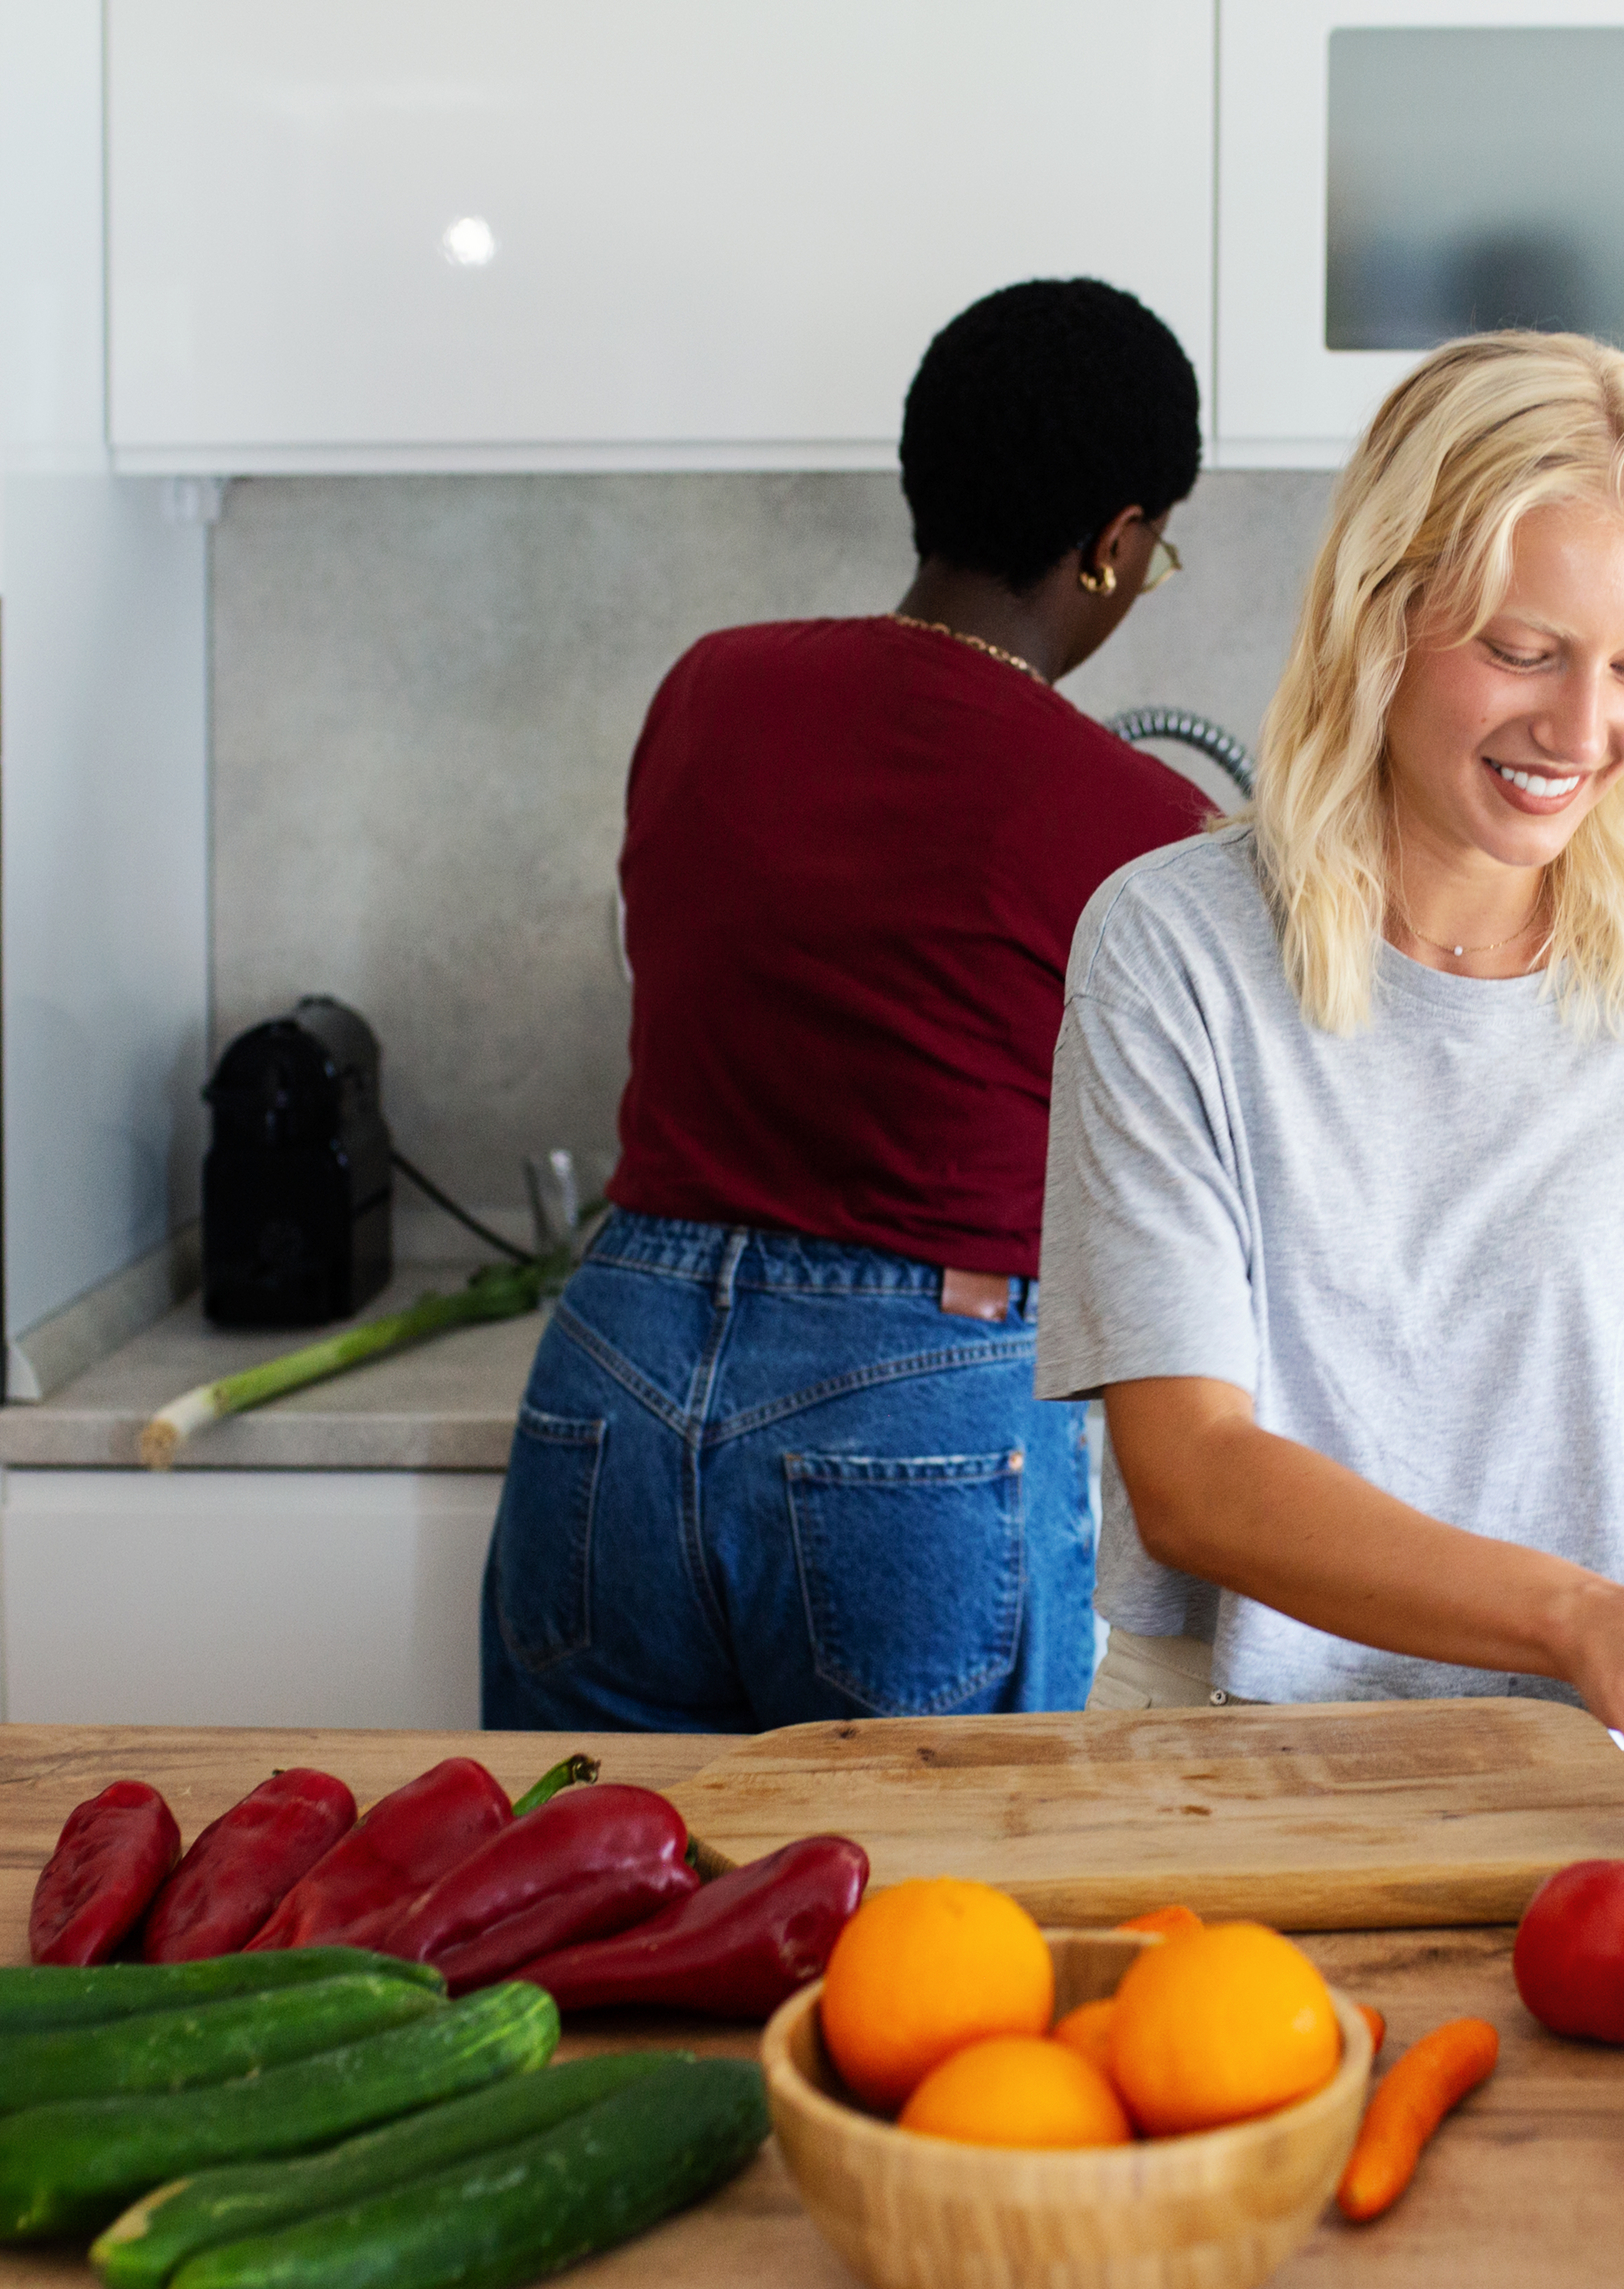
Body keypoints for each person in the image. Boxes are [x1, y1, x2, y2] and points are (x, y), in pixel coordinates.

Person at [1032, 332, 1624, 1842]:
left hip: (1600, 1795)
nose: (1585, 733)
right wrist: (1588, 1619)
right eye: (1525, 651)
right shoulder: (1170, 952)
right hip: (1231, 1782)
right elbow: (1191, 1471)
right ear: (1380, 618)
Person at [480, 277, 1213, 1733]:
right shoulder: (1141, 824)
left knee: (589, 1908)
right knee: (937, 1934)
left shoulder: (708, 689)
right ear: (1118, 545)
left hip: (613, 1372)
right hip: (916, 1406)